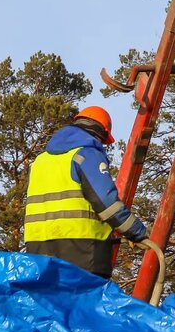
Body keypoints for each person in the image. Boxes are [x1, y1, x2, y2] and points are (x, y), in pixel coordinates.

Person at [24, 106, 148, 279]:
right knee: (85, 304)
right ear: (101, 133)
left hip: (37, 250)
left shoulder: (40, 161)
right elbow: (107, 203)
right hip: (82, 252)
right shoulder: (86, 153)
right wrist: (137, 232)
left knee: (50, 304)